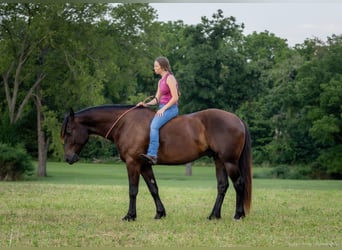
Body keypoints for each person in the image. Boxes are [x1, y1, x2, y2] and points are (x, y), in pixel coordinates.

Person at [137, 56, 179, 165]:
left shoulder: (170, 78)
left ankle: (152, 154)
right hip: (162, 107)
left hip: (171, 108)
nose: (154, 68)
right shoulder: (160, 81)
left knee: (154, 126)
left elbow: (175, 98)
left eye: (156, 66)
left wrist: (164, 109)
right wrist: (145, 104)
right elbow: (156, 99)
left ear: (163, 67)